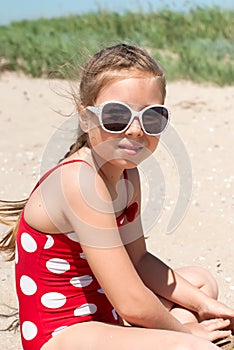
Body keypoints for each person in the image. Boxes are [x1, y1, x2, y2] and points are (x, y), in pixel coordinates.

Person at [0, 43, 233, 350]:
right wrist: (186, 333)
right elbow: (130, 303)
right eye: (116, 116)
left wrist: (205, 305)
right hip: (65, 333)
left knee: (202, 282)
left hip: (105, 318)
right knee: (191, 346)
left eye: (151, 118)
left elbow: (138, 259)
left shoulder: (126, 173)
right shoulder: (81, 181)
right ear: (85, 118)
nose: (136, 130)